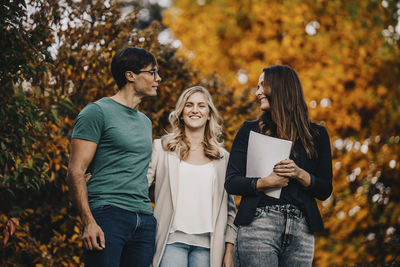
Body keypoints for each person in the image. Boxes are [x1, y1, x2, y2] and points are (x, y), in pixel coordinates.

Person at [225, 65, 333, 266]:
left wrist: (300, 174)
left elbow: (325, 189)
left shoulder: (317, 135)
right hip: (259, 224)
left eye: (262, 86)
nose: (257, 92)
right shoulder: (250, 130)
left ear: (280, 88)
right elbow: (231, 182)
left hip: (302, 229)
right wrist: (265, 182)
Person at [67, 46, 162, 267]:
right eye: (152, 72)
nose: (158, 78)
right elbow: (75, 170)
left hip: (144, 219)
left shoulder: (145, 122)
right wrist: (88, 222)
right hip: (108, 215)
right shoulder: (97, 112)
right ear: (130, 75)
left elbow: (138, 174)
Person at [147, 86, 236, 267]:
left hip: (209, 248)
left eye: (201, 106)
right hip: (170, 242)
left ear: (209, 114)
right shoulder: (161, 148)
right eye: (189, 105)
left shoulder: (223, 158)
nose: (195, 110)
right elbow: (140, 189)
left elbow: (230, 211)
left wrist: (229, 250)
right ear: (181, 112)